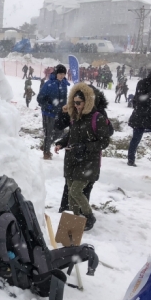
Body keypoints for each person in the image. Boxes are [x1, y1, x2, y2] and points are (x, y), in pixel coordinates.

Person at [55, 83, 111, 231]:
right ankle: (76, 220)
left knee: (75, 191)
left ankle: (89, 216)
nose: (76, 105)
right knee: (70, 195)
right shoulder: (75, 116)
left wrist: (86, 147)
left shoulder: (97, 117)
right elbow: (70, 135)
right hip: (72, 160)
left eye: (79, 103)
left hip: (88, 162)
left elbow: (105, 141)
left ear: (87, 101)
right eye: (74, 102)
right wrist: (61, 143)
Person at [127, 61, 151, 169]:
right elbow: (138, 99)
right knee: (136, 138)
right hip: (141, 116)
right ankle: (131, 160)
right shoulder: (143, 82)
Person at [37, 64, 70, 160]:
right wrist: (49, 106)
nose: (62, 76)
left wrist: (65, 107)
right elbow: (40, 98)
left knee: (60, 132)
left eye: (64, 74)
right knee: (49, 132)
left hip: (60, 112)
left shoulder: (64, 84)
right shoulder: (48, 84)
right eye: (60, 73)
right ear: (56, 73)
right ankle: (46, 153)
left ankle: (46, 145)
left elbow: (63, 98)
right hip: (48, 113)